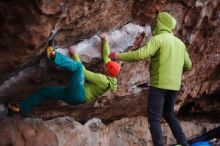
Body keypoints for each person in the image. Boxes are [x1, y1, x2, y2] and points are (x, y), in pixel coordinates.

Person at [109, 12, 192, 146]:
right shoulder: (180, 44)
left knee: (154, 118)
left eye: (156, 22)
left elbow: (141, 54)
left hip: (159, 85)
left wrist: (118, 56)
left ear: (160, 24)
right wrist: (174, 70)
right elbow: (188, 65)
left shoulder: (158, 39)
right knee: (169, 114)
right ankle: (183, 142)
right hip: (174, 86)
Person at [8, 33, 120, 113]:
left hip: (78, 94)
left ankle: (54, 56)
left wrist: (74, 54)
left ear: (108, 71)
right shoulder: (110, 77)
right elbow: (107, 58)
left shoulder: (103, 80)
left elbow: (83, 72)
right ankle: (21, 107)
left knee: (78, 68)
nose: (105, 65)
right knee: (45, 91)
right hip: (74, 98)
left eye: (107, 67)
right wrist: (105, 40)